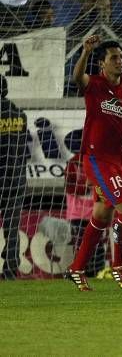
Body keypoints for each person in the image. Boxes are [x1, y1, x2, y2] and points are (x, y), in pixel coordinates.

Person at [65, 35, 122, 292]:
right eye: (113, 58)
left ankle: (77, 268)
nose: (120, 61)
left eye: (121, 57)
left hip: (118, 161)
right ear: (102, 65)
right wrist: (84, 52)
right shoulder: (93, 84)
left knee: (102, 214)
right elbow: (76, 78)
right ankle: (119, 267)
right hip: (95, 159)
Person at [0, 74, 27, 280]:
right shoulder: (20, 113)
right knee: (12, 227)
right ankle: (10, 269)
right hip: (17, 177)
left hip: (2, 175)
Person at [65, 153, 109, 279]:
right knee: (81, 243)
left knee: (98, 242)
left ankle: (98, 271)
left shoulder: (99, 162)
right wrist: (88, 185)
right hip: (77, 213)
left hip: (96, 211)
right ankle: (80, 270)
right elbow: (69, 187)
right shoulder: (72, 164)